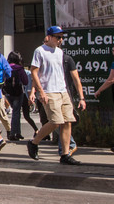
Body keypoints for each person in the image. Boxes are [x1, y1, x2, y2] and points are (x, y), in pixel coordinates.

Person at [27, 26, 86, 164]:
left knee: (67, 122)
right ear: (49, 37)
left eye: (62, 37)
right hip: (49, 91)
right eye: (58, 37)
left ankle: (65, 154)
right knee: (55, 121)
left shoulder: (59, 52)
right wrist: (39, 91)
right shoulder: (40, 51)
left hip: (62, 90)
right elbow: (34, 72)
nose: (60, 40)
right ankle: (34, 142)